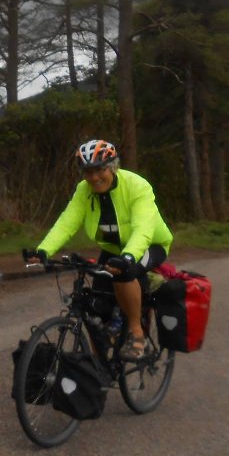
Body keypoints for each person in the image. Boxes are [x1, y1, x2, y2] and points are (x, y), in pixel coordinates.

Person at [26, 139, 174, 361]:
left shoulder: (137, 186)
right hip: (113, 250)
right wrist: (44, 250)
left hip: (149, 245)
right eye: (87, 172)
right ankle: (100, 367)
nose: (94, 178)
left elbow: (143, 228)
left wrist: (128, 257)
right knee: (98, 306)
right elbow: (67, 222)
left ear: (113, 166)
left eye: (99, 170)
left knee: (125, 274)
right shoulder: (83, 191)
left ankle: (136, 332)